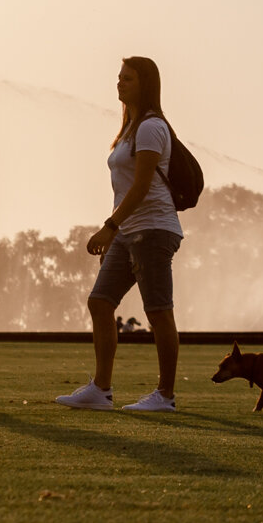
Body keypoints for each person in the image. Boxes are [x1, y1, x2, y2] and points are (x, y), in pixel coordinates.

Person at [57, 56, 184, 412]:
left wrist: (109, 226)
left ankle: (166, 395)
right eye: (119, 77)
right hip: (129, 230)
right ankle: (101, 389)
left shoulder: (150, 127)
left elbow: (143, 185)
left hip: (153, 229)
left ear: (145, 84)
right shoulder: (131, 128)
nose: (119, 83)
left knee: (158, 311)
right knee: (100, 301)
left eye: (127, 78)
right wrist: (117, 229)